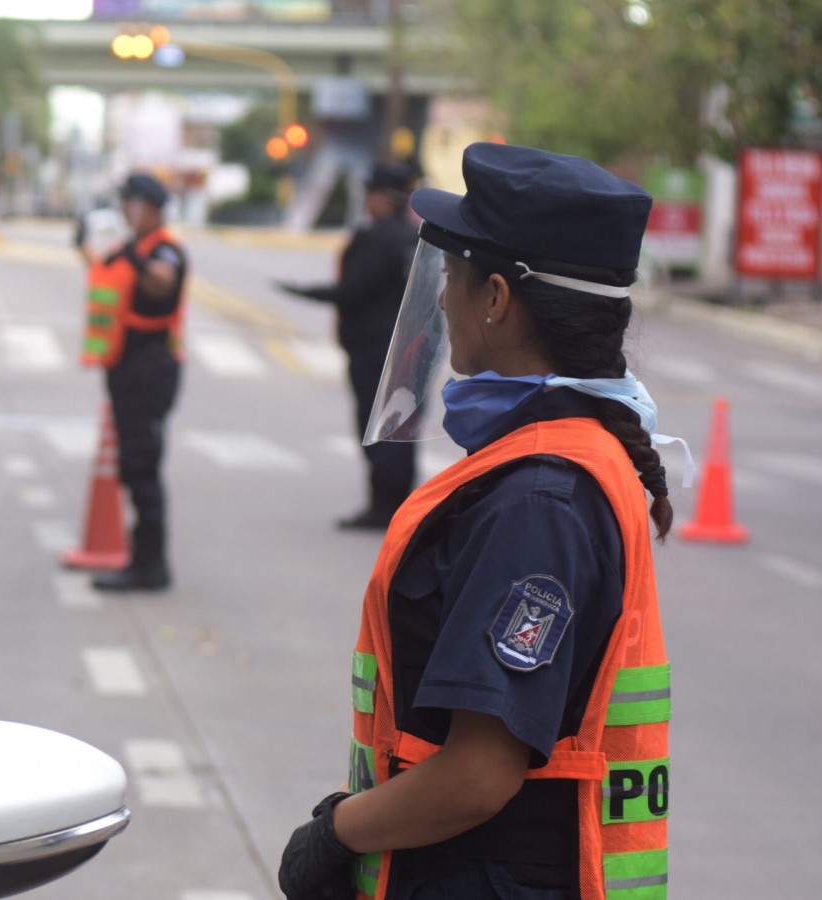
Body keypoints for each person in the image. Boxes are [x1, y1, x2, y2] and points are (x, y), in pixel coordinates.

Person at [277, 143, 679, 900]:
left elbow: (478, 775)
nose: (441, 303)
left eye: (451, 280)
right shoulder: (568, 455)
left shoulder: (537, 500)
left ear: (496, 298)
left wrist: (338, 831)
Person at [278, 160, 422, 530]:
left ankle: (384, 509)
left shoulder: (378, 238)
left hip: (376, 345)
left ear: (383, 198)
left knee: (378, 427)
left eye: (370, 194)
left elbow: (354, 291)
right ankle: (395, 507)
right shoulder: (414, 238)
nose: (366, 201)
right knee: (399, 428)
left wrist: (304, 291)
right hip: (409, 345)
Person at [74, 172, 188, 592]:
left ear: (150, 207)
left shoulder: (165, 250)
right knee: (132, 466)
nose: (125, 210)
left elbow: (162, 283)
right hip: (125, 369)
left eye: (132, 203)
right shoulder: (134, 247)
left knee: (143, 467)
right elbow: (105, 270)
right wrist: (81, 243)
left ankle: (150, 567)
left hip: (149, 370)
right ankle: (142, 561)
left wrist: (135, 258)